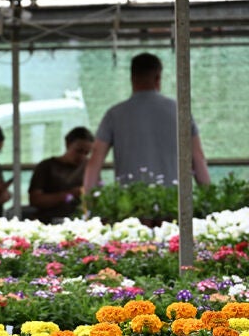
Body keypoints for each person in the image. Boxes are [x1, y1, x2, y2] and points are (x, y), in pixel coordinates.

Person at [83, 52, 211, 189]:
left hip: (131, 199)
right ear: (158, 78)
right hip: (174, 199)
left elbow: (95, 161)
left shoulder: (114, 115)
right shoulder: (181, 112)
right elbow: (197, 158)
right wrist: (209, 197)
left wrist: (89, 199)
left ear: (132, 78)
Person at [27, 126, 94, 223]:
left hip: (80, 221)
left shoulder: (89, 168)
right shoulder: (46, 166)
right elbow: (35, 200)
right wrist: (69, 194)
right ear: (67, 144)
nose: (82, 156)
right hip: (48, 221)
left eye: (86, 153)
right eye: (78, 151)